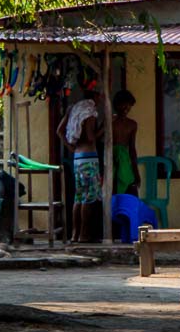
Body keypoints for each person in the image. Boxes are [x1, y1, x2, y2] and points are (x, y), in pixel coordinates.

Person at [57, 95, 104, 242]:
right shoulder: (89, 112)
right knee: (88, 198)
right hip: (89, 157)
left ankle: (74, 234)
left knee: (78, 197)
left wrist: (71, 147)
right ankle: (84, 234)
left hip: (77, 157)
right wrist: (104, 128)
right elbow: (90, 138)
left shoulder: (74, 109)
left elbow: (59, 131)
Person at [111, 91, 140, 197]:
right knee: (113, 195)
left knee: (130, 195)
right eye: (123, 105)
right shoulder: (110, 122)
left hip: (126, 164)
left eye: (129, 106)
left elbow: (132, 149)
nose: (126, 109)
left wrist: (136, 172)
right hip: (111, 162)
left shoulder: (132, 124)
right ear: (116, 105)